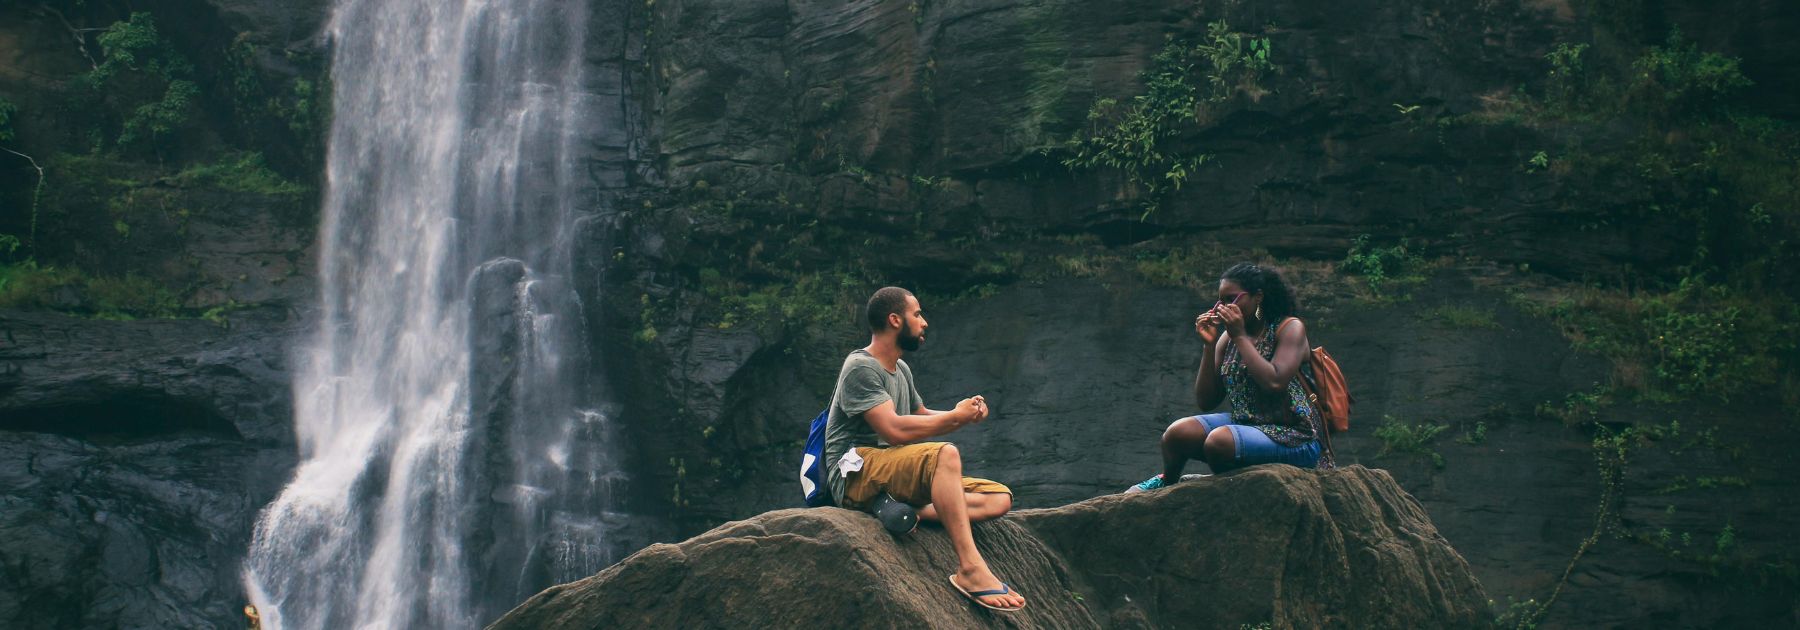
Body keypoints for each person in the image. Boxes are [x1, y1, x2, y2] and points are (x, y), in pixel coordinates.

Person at [822, 286, 1026, 612]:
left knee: (999, 498)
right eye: (917, 314)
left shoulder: (900, 369)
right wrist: (954, 421)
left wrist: (961, 415)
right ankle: (971, 569)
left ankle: (901, 508)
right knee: (945, 454)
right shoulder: (861, 367)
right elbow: (893, 428)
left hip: (888, 466)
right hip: (855, 469)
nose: (924, 322)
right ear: (894, 319)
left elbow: (919, 415)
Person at [1129, 263, 1332, 492]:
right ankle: (1168, 482)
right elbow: (1206, 400)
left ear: (1258, 297)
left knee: (1219, 442)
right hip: (1247, 424)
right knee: (1177, 433)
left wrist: (1239, 336)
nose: (1221, 307)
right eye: (1220, 300)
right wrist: (1209, 345)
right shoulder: (1227, 338)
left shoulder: (1289, 328)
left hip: (1295, 436)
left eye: (1231, 299)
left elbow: (1275, 382)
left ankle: (1230, 490)